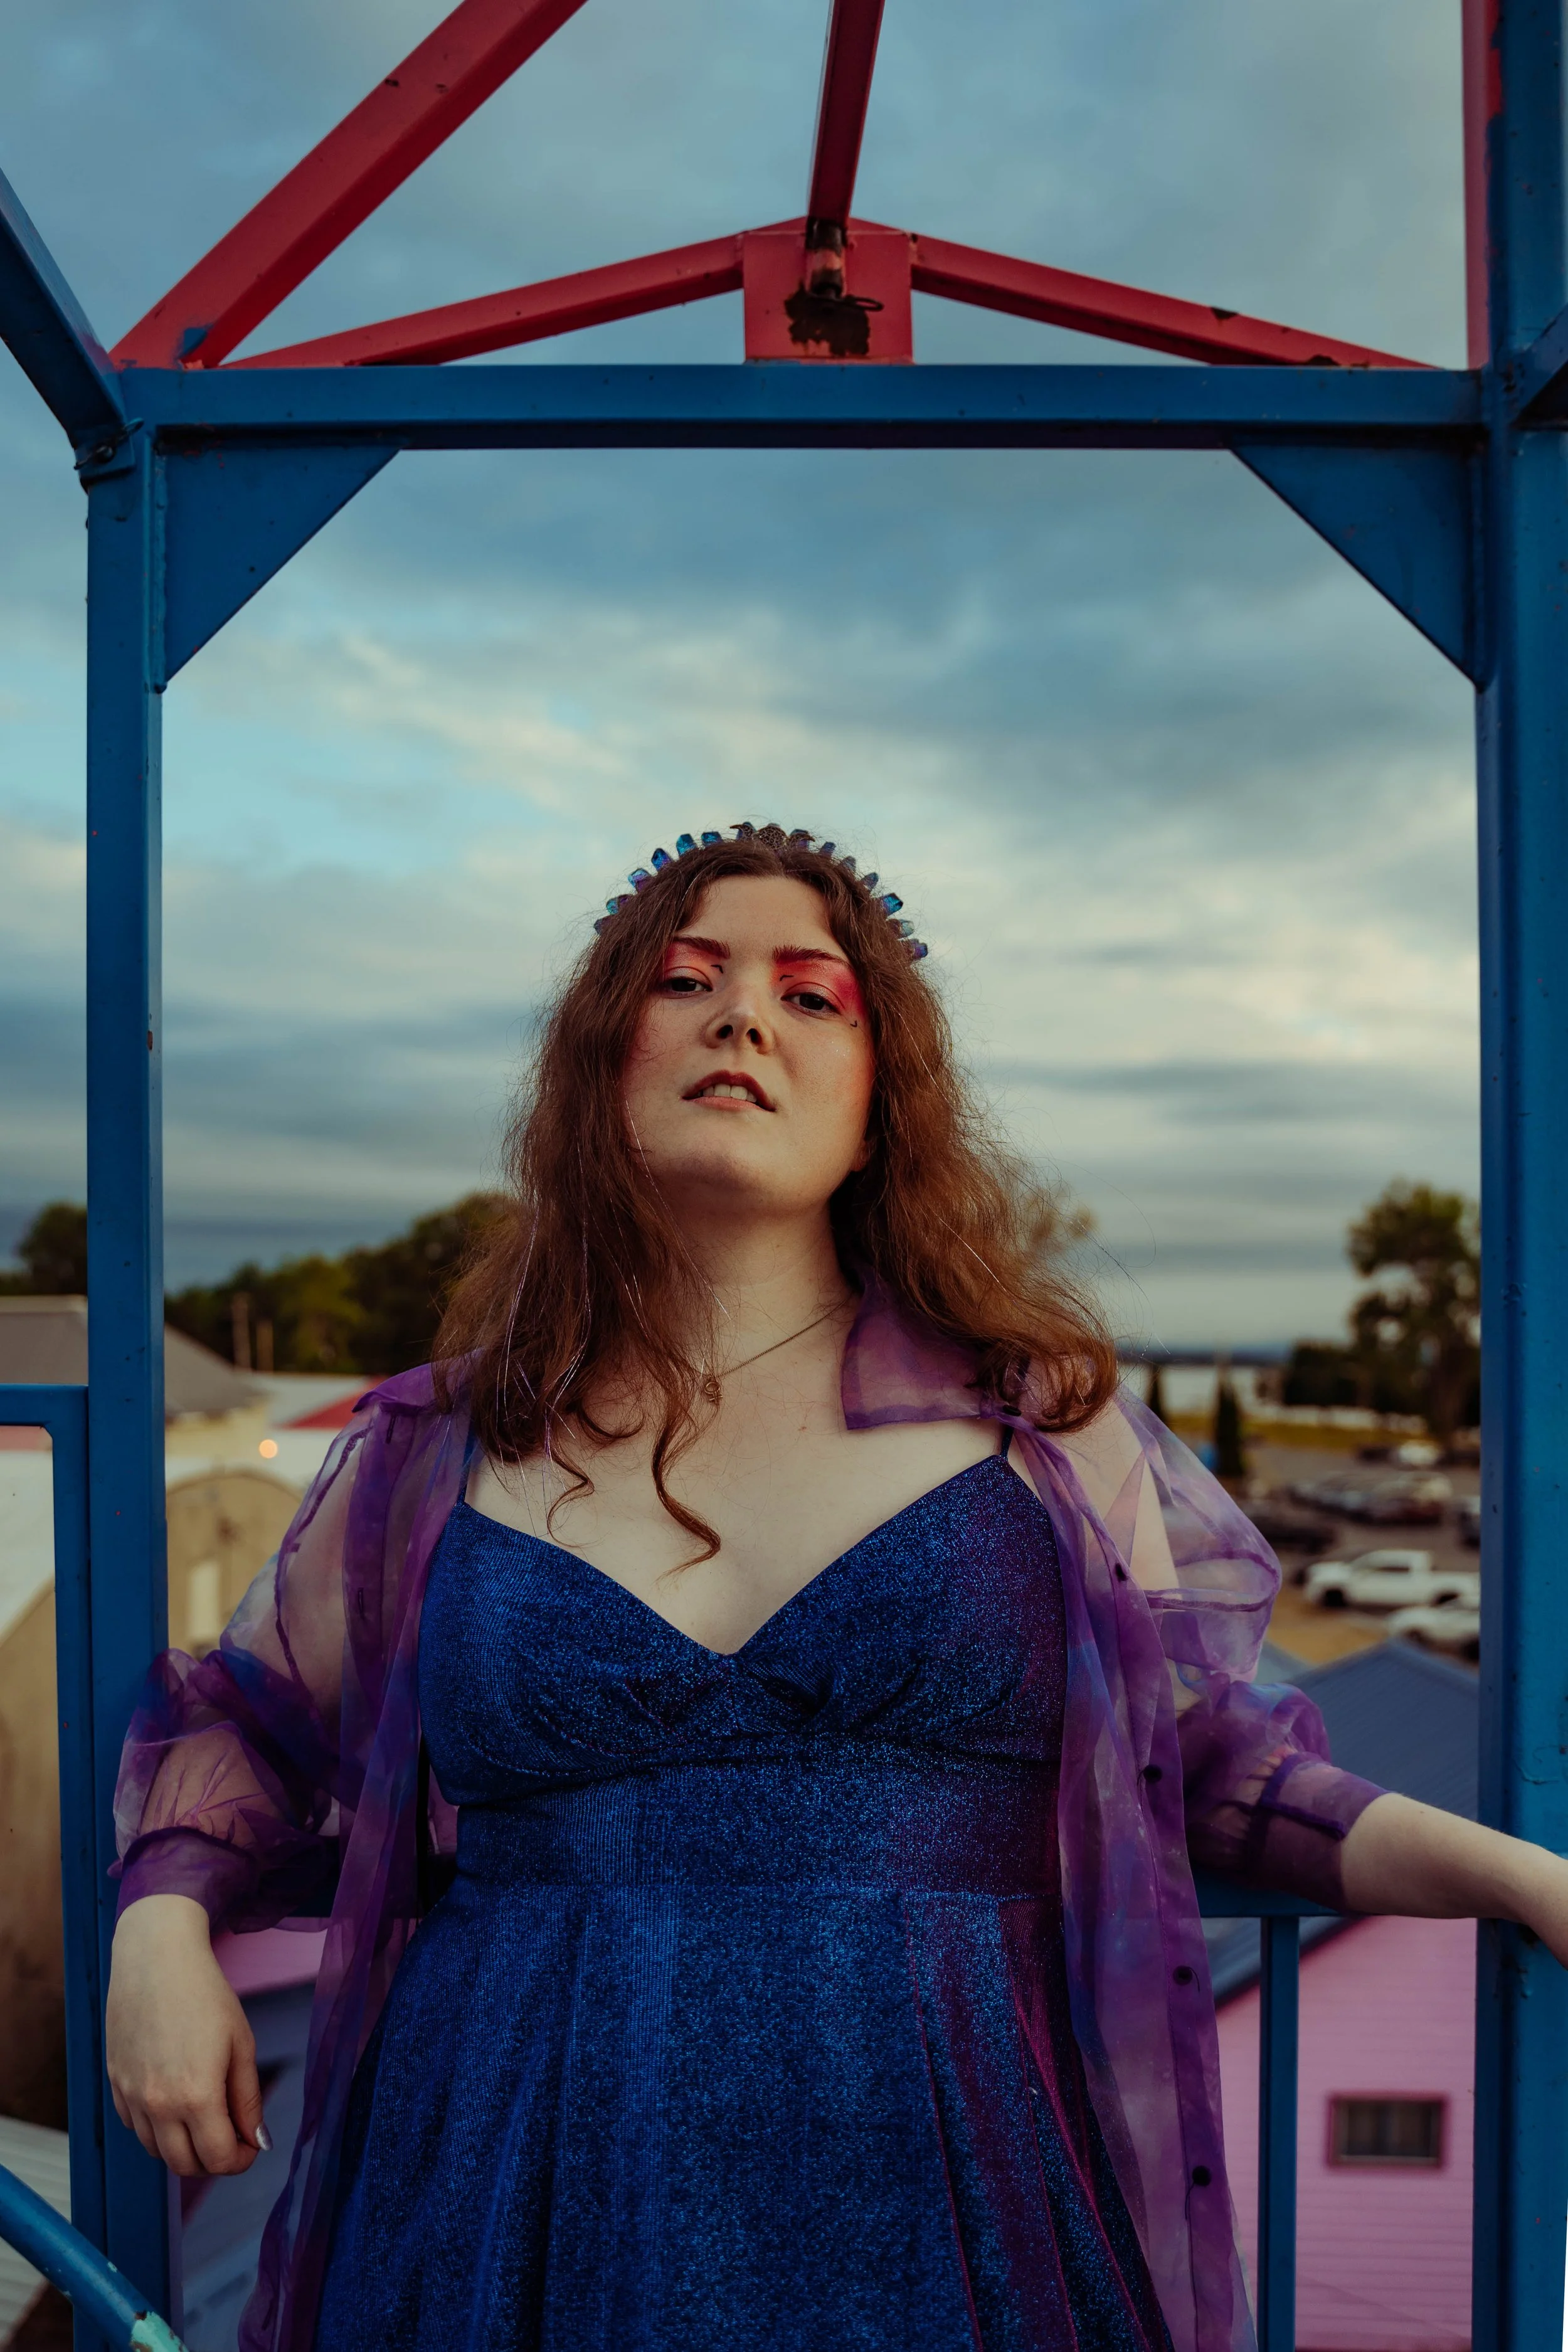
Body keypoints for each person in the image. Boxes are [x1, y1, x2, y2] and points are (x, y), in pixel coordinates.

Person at [107, 824, 1568, 2352]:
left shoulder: (1040, 1429)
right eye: (686, 981)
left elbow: (1202, 1761)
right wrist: (158, 1933)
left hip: (945, 2183)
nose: (742, 1016)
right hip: (504, 2182)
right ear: (601, 1065)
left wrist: (1521, 1876)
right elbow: (250, 1729)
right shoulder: (440, 1447)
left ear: (879, 1113)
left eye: (812, 997)